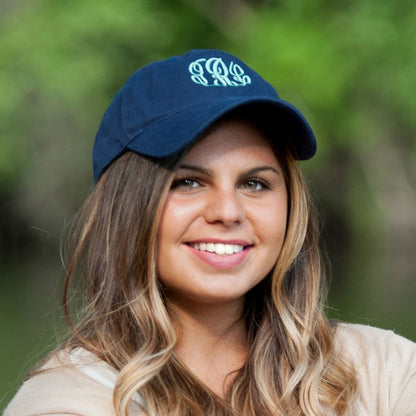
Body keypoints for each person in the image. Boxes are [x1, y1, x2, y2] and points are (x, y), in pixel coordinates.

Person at [4, 49, 416, 416]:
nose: (227, 211)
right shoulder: (71, 401)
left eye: (254, 183)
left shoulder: (384, 370)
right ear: (125, 206)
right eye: (188, 182)